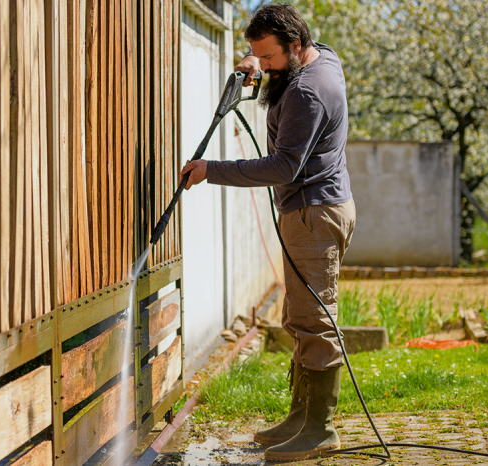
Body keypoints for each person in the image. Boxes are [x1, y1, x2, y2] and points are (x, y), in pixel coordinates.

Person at [179, 3, 355, 461]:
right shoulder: (322, 56)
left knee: (316, 321)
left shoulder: (306, 95)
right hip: (315, 209)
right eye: (258, 54)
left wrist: (209, 170)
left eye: (270, 57)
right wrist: (256, 60)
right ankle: (301, 418)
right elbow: (283, 63)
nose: (265, 66)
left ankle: (321, 429)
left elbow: (282, 165)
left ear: (295, 46)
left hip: (314, 214)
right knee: (299, 315)